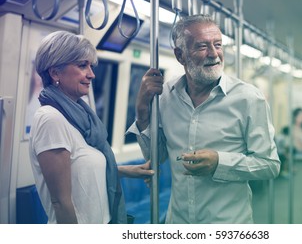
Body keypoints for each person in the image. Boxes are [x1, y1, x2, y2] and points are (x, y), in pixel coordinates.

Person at [127, 14, 280, 223]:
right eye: (202, 46)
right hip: (178, 221)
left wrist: (219, 163)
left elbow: (269, 165)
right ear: (180, 55)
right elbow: (158, 155)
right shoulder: (166, 95)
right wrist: (142, 111)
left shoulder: (248, 98)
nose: (214, 54)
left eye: (217, 45)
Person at [29, 31, 154, 224]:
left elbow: (80, 170)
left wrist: (128, 170)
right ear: (55, 73)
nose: (91, 74)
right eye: (82, 65)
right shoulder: (50, 119)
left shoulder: (81, 116)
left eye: (90, 66)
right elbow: (61, 202)